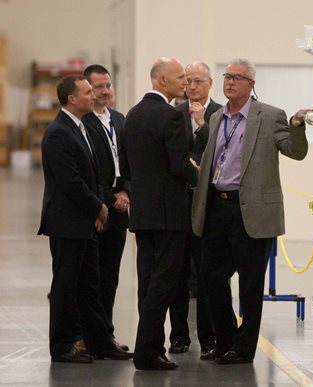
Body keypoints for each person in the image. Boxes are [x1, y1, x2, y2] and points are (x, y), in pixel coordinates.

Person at [191, 58, 311, 364]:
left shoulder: (270, 116)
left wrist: (297, 127)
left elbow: (295, 151)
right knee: (211, 276)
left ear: (251, 84)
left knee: (250, 283)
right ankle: (226, 338)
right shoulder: (217, 117)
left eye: (237, 78)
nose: (230, 82)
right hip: (218, 206)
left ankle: (243, 349)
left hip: (252, 211)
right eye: (227, 76)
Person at [38, 74, 133, 363]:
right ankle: (62, 346)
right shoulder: (58, 133)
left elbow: (91, 174)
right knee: (66, 286)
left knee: (90, 285)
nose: (94, 95)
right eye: (88, 91)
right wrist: (99, 207)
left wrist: (96, 209)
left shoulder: (78, 127)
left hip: (86, 224)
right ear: (72, 99)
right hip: (68, 224)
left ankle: (100, 342)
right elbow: (70, 181)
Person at [119, 57, 198, 371]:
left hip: (143, 213)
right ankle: (146, 351)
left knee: (147, 280)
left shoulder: (132, 116)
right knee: (163, 283)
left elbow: (125, 166)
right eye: (180, 78)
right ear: (162, 81)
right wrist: (201, 177)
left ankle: (150, 347)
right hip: (169, 213)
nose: (185, 83)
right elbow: (178, 165)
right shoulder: (171, 116)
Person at [169, 62, 220, 357]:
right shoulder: (173, 114)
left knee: (207, 273)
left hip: (208, 203)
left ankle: (209, 337)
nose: (192, 87)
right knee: (177, 273)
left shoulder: (220, 114)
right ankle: (179, 336)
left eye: (198, 81)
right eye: (187, 81)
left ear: (210, 83)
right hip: (178, 203)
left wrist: (202, 125)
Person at [81, 64, 130, 352]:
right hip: (97, 208)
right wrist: (109, 199)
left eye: (108, 85)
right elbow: (89, 171)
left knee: (110, 276)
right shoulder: (84, 123)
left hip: (120, 209)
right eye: (98, 87)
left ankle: (106, 335)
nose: (105, 91)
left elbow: (130, 162)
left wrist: (126, 191)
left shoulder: (120, 121)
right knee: (92, 278)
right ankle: (91, 337)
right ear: (87, 90)